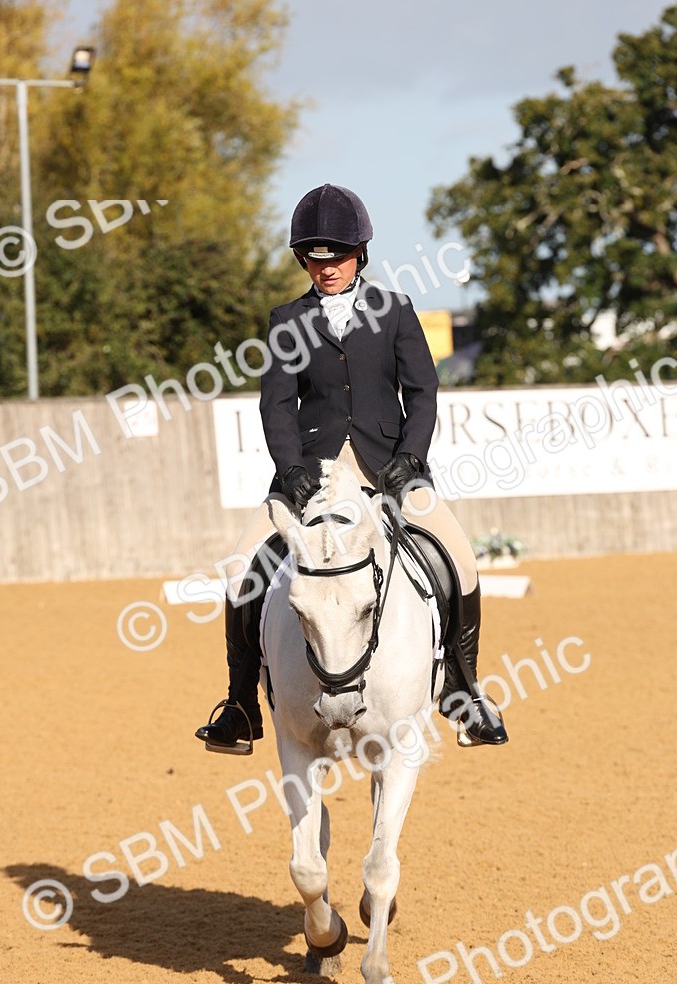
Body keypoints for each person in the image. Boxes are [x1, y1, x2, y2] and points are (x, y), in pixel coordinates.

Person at [195, 183, 507, 753]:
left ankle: (464, 694)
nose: (326, 270)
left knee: (460, 560)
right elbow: (276, 404)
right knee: (243, 567)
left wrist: (411, 456)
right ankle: (240, 706)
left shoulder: (395, 311)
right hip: (308, 476)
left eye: (335, 258)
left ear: (359, 252)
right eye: (314, 260)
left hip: (389, 469)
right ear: (302, 261)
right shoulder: (286, 319)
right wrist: (289, 470)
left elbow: (424, 390)